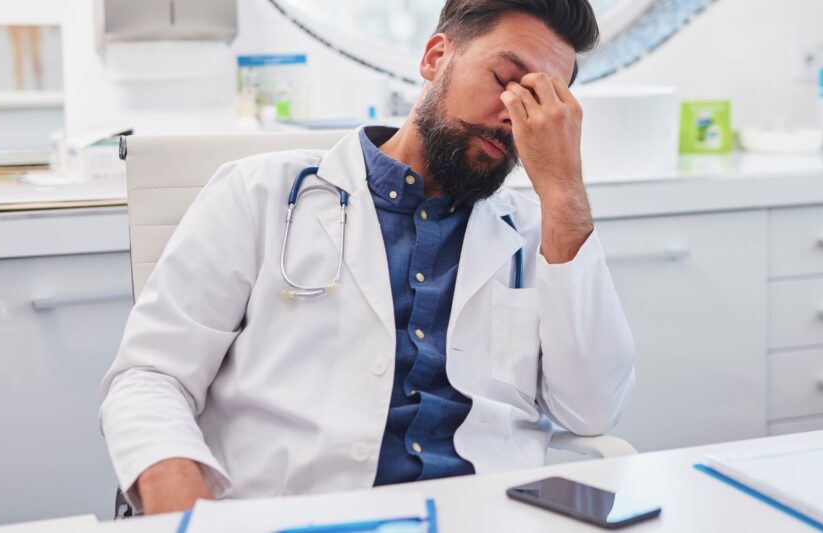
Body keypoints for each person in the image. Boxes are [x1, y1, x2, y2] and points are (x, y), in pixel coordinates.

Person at [100, 0, 635, 516]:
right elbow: (150, 376)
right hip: (294, 515)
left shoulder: (542, 232)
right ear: (435, 57)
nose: (514, 118)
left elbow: (590, 411)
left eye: (543, 102)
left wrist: (563, 192)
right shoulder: (259, 192)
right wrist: (182, 504)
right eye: (505, 81)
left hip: (484, 515)